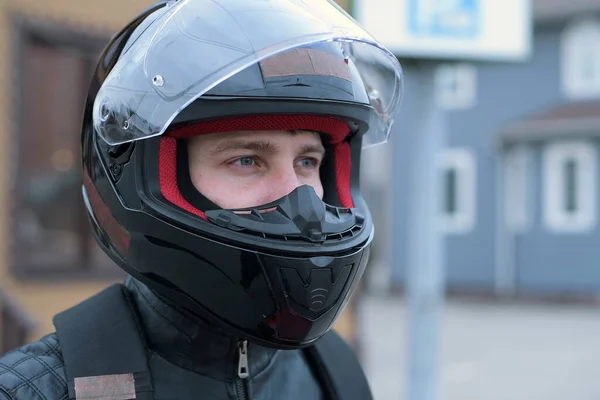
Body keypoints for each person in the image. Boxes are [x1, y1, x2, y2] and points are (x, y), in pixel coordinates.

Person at [0, 0, 403, 398]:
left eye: (307, 161)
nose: (297, 199)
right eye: (246, 160)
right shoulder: (34, 390)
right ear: (155, 176)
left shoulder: (335, 376)